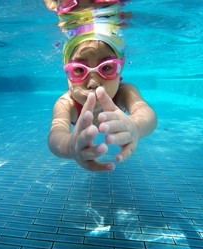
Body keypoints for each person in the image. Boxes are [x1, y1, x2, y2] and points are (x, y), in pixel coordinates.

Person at [46, 1, 157, 172]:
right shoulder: (66, 103)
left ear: (120, 69)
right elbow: (55, 137)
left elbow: (147, 115)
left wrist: (135, 126)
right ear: (66, 74)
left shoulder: (124, 92)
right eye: (78, 70)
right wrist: (70, 145)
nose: (93, 83)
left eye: (106, 68)